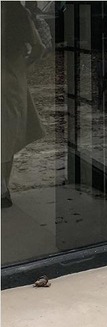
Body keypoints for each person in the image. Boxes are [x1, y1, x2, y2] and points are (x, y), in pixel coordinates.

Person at [1, 2, 46, 208]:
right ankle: (3, 188)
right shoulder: (17, 13)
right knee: (7, 137)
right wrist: (22, 66)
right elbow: (39, 48)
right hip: (11, 83)